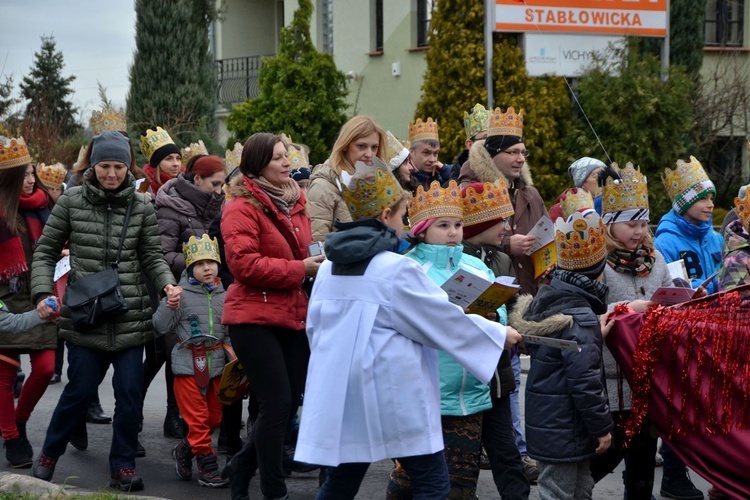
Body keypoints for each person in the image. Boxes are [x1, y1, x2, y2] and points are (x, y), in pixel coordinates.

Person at [294, 159, 524, 499]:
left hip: (343, 391)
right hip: (393, 394)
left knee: (342, 479)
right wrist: (497, 334)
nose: (404, 224)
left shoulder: (329, 269)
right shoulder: (395, 269)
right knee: (432, 482)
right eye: (403, 215)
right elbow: (440, 319)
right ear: (386, 215)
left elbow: (315, 328)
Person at [30, 131, 181, 492]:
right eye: (104, 166)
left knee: (129, 395)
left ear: (127, 167)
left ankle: (123, 465)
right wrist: (41, 292)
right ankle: (50, 452)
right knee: (78, 392)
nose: (111, 174)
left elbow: (152, 256)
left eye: (117, 166)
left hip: (130, 316)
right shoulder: (71, 203)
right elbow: (45, 251)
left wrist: (166, 284)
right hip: (84, 317)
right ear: (92, 166)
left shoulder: (142, 205)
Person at [384, 180, 506, 498]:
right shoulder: (409, 268)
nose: (453, 232)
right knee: (412, 477)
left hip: (471, 394)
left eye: (458, 224)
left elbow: (500, 310)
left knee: (462, 484)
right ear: (422, 229)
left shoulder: (477, 266)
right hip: (427, 393)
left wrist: (494, 317)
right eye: (443, 225)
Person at [221, 132, 323, 500]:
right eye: (278, 157)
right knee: (276, 402)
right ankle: (274, 492)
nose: (286, 162)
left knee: (286, 404)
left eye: (287, 156)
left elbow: (309, 249)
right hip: (252, 318)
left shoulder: (297, 201)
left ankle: (241, 468)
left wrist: (319, 259)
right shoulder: (240, 206)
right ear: (257, 163)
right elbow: (244, 265)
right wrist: (301, 269)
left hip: (293, 315)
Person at [510, 211, 614, 500]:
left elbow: (565, 358)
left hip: (552, 424)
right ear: (598, 270)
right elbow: (585, 382)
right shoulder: (581, 317)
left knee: (580, 489)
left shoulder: (550, 299)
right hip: (568, 427)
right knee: (557, 492)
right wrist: (602, 427)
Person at [588, 163, 669, 500]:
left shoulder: (656, 259)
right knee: (601, 459)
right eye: (631, 224)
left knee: (641, 468)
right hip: (609, 378)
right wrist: (624, 311)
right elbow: (586, 317)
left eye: (643, 223)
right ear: (609, 224)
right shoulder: (596, 264)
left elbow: (671, 294)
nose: (639, 231)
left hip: (648, 379)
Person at [144, 153, 226, 442]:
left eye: (222, 185)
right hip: (176, 288)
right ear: (197, 179)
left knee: (197, 352)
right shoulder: (172, 206)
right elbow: (162, 254)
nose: (219, 190)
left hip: (208, 288)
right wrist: (198, 260)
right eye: (214, 184)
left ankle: (185, 414)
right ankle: (160, 413)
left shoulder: (216, 205)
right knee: (169, 354)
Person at [461, 181, 530, 500]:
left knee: (507, 455)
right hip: (467, 377)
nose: (507, 227)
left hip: (499, 376)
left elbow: (513, 307)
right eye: (500, 220)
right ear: (481, 224)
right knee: (465, 457)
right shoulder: (458, 261)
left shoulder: (502, 260)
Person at [153, 234, 230, 488]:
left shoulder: (225, 295)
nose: (206, 268)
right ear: (189, 268)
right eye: (199, 264)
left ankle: (185, 449)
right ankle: (208, 467)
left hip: (217, 365)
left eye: (211, 262)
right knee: (197, 420)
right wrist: (169, 302)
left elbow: (229, 331)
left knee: (214, 419)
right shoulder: (180, 294)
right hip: (187, 366)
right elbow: (160, 326)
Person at [0, 136, 57, 468]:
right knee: (4, 378)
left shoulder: (44, 206)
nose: (31, 180)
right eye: (23, 174)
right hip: (6, 300)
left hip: (39, 295)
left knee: (46, 368)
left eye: (32, 172)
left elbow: (52, 247)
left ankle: (20, 421)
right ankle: (10, 438)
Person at [458, 106, 548, 296]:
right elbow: (458, 239)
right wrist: (507, 245)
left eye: (524, 152)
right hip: (490, 294)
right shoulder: (471, 192)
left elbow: (549, 235)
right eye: (513, 152)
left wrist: (549, 261)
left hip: (532, 292)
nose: (521, 159)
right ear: (493, 155)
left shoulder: (531, 194)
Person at [307, 115, 387, 242]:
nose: (369, 154)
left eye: (374, 147)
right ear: (345, 145)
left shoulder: (374, 184)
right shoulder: (322, 187)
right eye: (361, 146)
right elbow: (317, 244)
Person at [448, 103, 490, 184]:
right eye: (485, 138)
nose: (491, 143)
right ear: (470, 144)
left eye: (494, 138)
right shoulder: (454, 185)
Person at [408, 117, 451, 191]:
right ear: (412, 152)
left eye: (435, 153)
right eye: (426, 153)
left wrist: (445, 170)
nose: (433, 160)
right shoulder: (404, 178)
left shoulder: (439, 175)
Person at [139, 126, 183, 194]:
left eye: (178, 158)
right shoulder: (144, 188)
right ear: (157, 163)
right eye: (169, 159)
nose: (176, 163)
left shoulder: (189, 183)